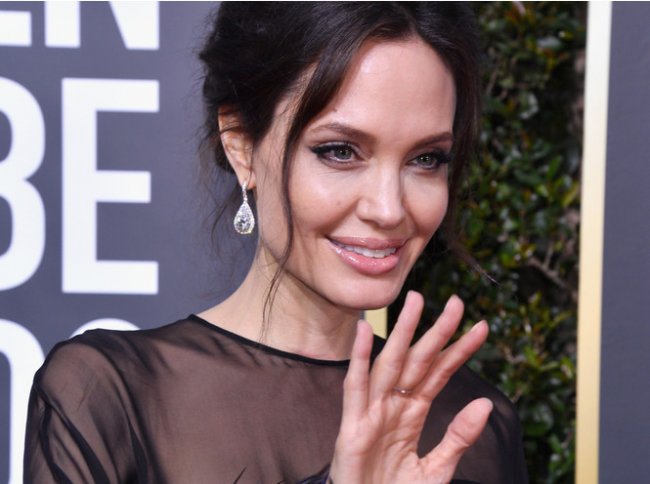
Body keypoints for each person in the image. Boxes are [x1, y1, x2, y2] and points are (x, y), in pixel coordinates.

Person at [24, 3, 528, 483]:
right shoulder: (110, 397)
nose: (389, 208)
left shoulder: (474, 428)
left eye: (426, 159)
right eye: (340, 151)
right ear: (242, 146)